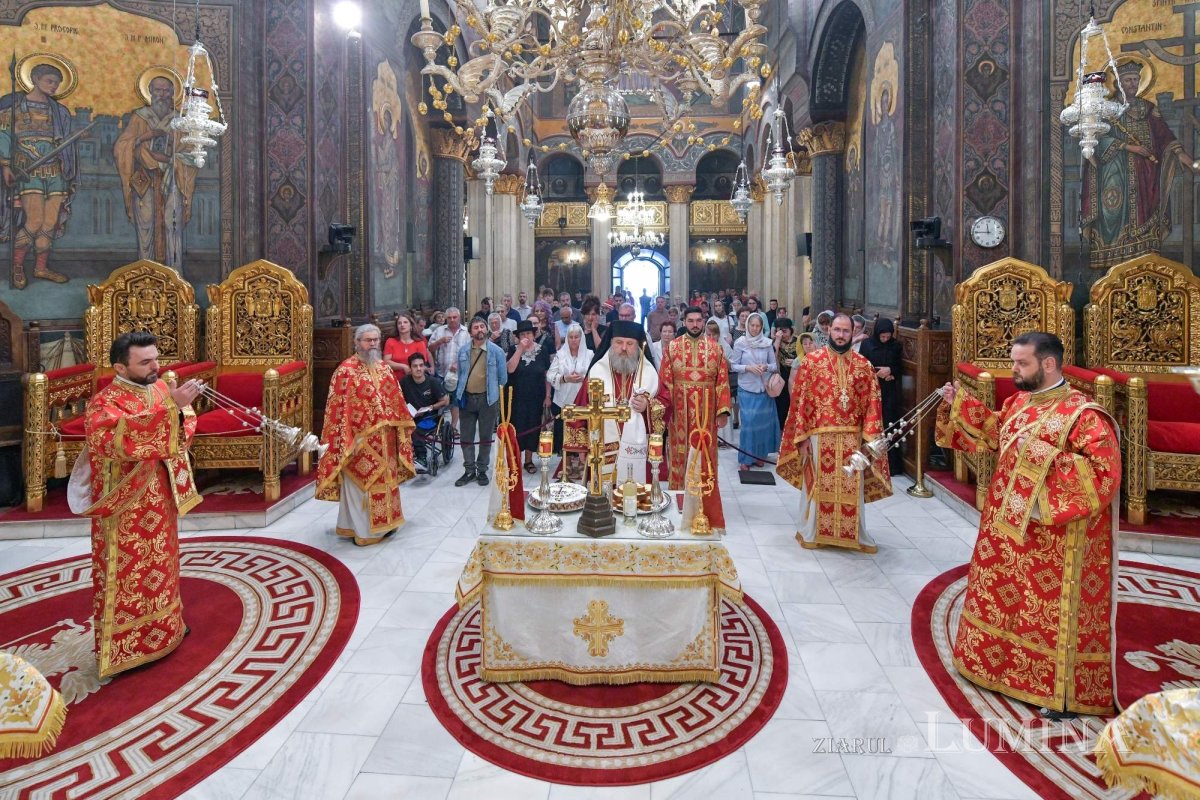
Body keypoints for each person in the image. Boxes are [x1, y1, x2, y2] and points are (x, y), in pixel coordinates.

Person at [936, 332, 1122, 717]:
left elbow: (1104, 474)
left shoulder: (1084, 415)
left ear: (1049, 364)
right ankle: (995, 667)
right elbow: (995, 432)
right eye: (1014, 362)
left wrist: (1039, 458)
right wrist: (961, 405)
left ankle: (1056, 692)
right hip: (1006, 529)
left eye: (1022, 364)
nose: (1014, 370)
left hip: (1053, 541)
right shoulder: (1019, 401)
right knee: (1008, 602)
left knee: (1046, 616)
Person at [81, 331, 202, 678]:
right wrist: (170, 409)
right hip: (125, 507)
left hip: (160, 497)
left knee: (163, 564)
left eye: (156, 358)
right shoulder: (104, 403)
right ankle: (124, 649)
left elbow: (186, 423)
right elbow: (112, 442)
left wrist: (176, 410)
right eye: (145, 361)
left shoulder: (160, 387)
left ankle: (168, 627)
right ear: (120, 365)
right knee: (127, 573)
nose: (155, 366)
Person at [778, 313, 892, 553]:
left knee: (853, 483)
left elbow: (873, 404)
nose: (841, 335)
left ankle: (853, 533)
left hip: (853, 438)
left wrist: (870, 439)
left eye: (846, 331)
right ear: (829, 330)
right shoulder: (812, 363)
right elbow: (799, 403)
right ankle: (813, 530)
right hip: (819, 437)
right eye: (837, 330)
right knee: (819, 484)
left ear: (853, 333)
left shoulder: (863, 365)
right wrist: (802, 438)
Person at [317, 324, 416, 546]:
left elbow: (395, 400)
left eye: (375, 340)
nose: (372, 344)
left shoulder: (383, 367)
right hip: (359, 442)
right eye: (367, 340)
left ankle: (387, 524)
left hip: (386, 440)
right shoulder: (345, 371)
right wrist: (348, 439)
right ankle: (363, 530)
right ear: (357, 342)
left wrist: (399, 425)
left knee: (386, 482)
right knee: (362, 485)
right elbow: (338, 410)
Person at [0, 63, 77, 288]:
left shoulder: (59, 112)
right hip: (28, 172)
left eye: (57, 83)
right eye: (49, 81)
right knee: (33, 221)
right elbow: (4, 136)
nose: (54, 87)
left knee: (50, 222)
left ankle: (41, 268)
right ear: (35, 79)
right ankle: (17, 267)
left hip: (55, 171)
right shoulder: (14, 109)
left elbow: (64, 141)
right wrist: (6, 165)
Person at [566, 319, 668, 487]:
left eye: (630, 343)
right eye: (619, 342)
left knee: (636, 497)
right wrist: (582, 447)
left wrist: (647, 406)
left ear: (638, 346)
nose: (623, 348)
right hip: (601, 447)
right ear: (611, 343)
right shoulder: (597, 371)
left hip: (638, 449)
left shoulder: (649, 373)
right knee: (601, 498)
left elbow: (666, 404)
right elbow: (582, 406)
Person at [114, 75, 198, 269]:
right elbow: (122, 147)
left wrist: (169, 159)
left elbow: (190, 152)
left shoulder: (179, 120)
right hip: (144, 179)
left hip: (173, 178)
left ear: (172, 94)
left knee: (173, 223)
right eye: (158, 90)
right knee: (145, 224)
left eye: (167, 90)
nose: (162, 95)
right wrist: (144, 138)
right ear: (150, 92)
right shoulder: (140, 117)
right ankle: (147, 270)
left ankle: (174, 272)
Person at [660, 307, 731, 531]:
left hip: (706, 415)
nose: (694, 324)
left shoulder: (715, 348)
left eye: (698, 320)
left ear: (703, 322)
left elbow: (722, 381)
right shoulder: (672, 347)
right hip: (679, 414)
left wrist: (722, 411)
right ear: (684, 321)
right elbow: (666, 381)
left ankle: (704, 505)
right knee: (679, 455)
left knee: (705, 457)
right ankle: (676, 503)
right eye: (690, 321)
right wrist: (664, 410)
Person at [454, 316, 508, 486]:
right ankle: (469, 470)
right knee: (466, 437)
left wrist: (494, 394)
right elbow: (461, 374)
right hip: (467, 398)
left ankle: (482, 469)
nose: (480, 330)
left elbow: (503, 378)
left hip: (488, 399)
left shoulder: (497, 351)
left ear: (487, 330)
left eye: (482, 327)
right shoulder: (463, 351)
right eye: (476, 327)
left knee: (485, 437)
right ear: (470, 332)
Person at [731, 312, 780, 471]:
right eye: (752, 325)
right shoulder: (740, 343)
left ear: (761, 327)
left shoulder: (767, 343)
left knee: (762, 425)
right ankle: (745, 459)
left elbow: (774, 365)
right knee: (749, 425)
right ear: (747, 325)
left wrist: (765, 367)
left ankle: (759, 456)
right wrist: (748, 368)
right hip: (747, 388)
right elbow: (733, 365)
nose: (754, 328)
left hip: (764, 389)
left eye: (758, 326)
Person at [507, 319, 553, 473]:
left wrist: (548, 396)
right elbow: (510, 369)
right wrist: (520, 349)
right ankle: (515, 461)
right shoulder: (513, 349)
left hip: (536, 396)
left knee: (533, 427)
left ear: (534, 335)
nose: (525, 336)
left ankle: (528, 460)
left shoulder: (543, 350)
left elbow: (547, 374)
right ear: (518, 336)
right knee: (517, 427)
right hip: (517, 397)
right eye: (522, 334)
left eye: (528, 333)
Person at [547, 322, 592, 472]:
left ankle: (581, 462)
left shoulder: (590, 354)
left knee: (582, 431)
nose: (573, 340)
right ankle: (566, 463)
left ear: (581, 338)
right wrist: (565, 378)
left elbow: (596, 375)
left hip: (583, 401)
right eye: (571, 337)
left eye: (576, 337)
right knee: (564, 432)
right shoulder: (560, 355)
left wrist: (584, 377)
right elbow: (550, 375)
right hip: (563, 402)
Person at [860, 318, 903, 475]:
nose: (885, 339)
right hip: (871, 389)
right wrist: (875, 374)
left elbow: (900, 366)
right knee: (872, 423)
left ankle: (891, 465)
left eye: (887, 336)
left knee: (889, 423)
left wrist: (891, 371)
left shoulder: (896, 345)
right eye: (882, 337)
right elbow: (861, 365)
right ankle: (870, 461)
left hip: (889, 390)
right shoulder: (867, 345)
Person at [399, 352, 449, 473]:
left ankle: (422, 459)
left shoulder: (433, 382)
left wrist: (430, 407)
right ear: (410, 368)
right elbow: (398, 398)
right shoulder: (404, 382)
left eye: (421, 365)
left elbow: (445, 401)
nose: (419, 369)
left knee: (415, 430)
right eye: (415, 366)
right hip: (410, 415)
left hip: (429, 417)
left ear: (425, 366)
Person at [429, 306, 470, 426]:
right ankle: (439, 425)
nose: (452, 320)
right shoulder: (439, 331)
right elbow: (430, 348)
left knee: (455, 401)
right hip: (441, 372)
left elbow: (471, 352)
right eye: (449, 318)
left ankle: (453, 427)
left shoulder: (466, 332)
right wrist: (439, 341)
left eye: (454, 317)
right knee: (440, 400)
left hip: (458, 374)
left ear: (459, 317)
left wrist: (459, 364)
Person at [383, 314, 431, 383]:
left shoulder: (420, 343)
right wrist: (403, 366)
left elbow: (421, 364)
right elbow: (386, 362)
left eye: (405, 322)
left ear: (411, 326)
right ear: (397, 327)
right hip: (394, 381)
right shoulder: (390, 341)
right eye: (399, 323)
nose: (402, 325)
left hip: (414, 380)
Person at [773, 317, 798, 429]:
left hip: (796, 378)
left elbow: (807, 357)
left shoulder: (799, 341)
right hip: (781, 379)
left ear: (791, 330)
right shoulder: (775, 343)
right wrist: (777, 341)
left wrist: (796, 361)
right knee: (782, 408)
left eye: (785, 331)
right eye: (779, 331)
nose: (782, 334)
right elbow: (772, 358)